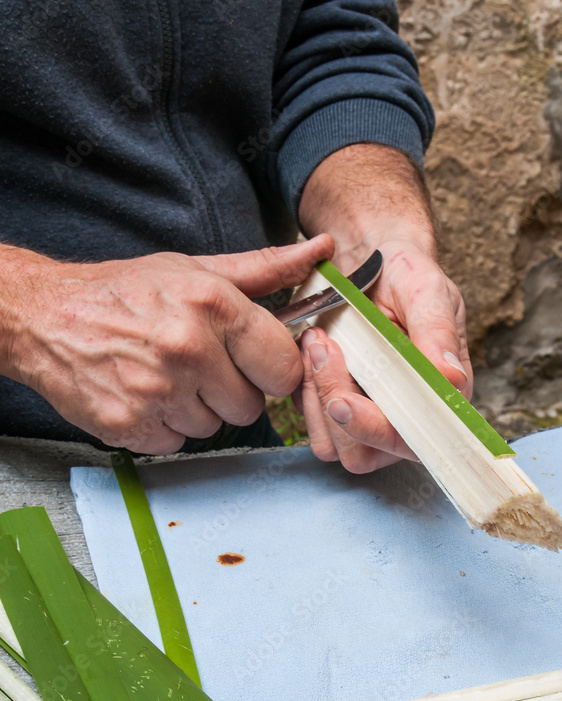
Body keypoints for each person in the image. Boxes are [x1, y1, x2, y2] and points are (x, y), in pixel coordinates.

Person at [0, 0, 472, 472]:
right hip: (22, 451)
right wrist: (30, 312)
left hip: (230, 435)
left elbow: (332, 49)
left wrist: (378, 234)